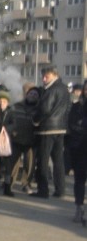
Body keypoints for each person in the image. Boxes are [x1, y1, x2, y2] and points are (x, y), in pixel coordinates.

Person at [32, 67, 71, 199]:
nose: (43, 79)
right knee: (58, 160)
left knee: (43, 160)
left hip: (47, 129)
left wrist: (35, 121)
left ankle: (43, 190)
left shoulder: (51, 90)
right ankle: (60, 190)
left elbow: (44, 108)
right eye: (43, 76)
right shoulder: (65, 89)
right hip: (61, 128)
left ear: (54, 75)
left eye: (46, 76)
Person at [9, 85, 40, 193]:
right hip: (16, 137)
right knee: (13, 163)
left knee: (29, 164)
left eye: (35, 95)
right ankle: (9, 183)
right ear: (26, 95)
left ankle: (26, 184)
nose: (32, 96)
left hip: (31, 140)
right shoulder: (17, 106)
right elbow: (9, 120)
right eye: (31, 94)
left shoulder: (39, 109)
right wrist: (11, 131)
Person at [67, 88, 87, 224]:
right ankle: (79, 208)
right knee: (79, 179)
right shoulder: (77, 106)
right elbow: (71, 124)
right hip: (79, 147)